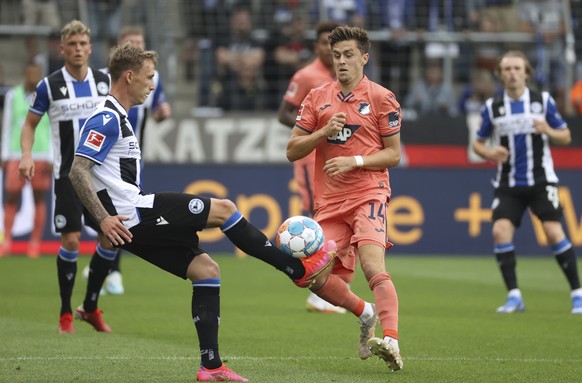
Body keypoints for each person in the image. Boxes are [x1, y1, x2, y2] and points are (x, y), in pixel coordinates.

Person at [69, 43, 337, 382]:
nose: (153, 85)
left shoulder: (118, 117)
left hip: (129, 224)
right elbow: (77, 170)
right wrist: (103, 218)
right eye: (150, 77)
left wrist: (106, 221)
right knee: (224, 210)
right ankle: (296, 269)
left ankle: (210, 366)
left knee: (206, 269)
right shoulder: (106, 117)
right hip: (131, 214)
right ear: (129, 76)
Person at [286, 25, 404, 371]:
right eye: (336, 55)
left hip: (369, 192)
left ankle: (392, 341)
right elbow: (292, 150)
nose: (341, 61)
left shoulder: (382, 98)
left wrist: (355, 161)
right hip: (330, 202)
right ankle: (364, 313)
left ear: (364, 58)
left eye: (349, 54)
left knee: (372, 265)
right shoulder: (317, 97)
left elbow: (393, 155)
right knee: (306, 274)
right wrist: (324, 132)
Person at [19, 20, 114, 334]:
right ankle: (64, 313)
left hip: (101, 177)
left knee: (110, 238)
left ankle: (89, 306)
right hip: (67, 176)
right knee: (71, 239)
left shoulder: (104, 82)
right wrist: (28, 155)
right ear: (62, 49)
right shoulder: (49, 85)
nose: (77, 49)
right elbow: (30, 125)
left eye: (82, 44)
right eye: (71, 44)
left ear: (89, 47)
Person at [472, 50, 582, 315]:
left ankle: (577, 294)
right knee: (500, 231)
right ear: (499, 75)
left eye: (517, 68)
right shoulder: (492, 107)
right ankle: (514, 296)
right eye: (507, 69)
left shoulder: (542, 101)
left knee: (554, 232)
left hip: (541, 180)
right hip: (508, 182)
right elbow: (477, 142)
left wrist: (548, 130)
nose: (512, 73)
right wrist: (489, 153)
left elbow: (566, 135)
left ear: (526, 73)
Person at [90, 25, 172, 296]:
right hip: (107, 156)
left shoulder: (152, 78)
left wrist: (162, 112)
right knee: (114, 215)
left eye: (141, 42)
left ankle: (104, 270)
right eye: (131, 43)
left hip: (134, 155)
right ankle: (112, 272)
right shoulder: (104, 80)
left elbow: (157, 106)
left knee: (120, 215)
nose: (137, 46)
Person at [278, 20, 347, 314]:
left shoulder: (349, 79)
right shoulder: (307, 76)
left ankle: (327, 289)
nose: (330, 51)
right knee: (318, 220)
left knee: (336, 220)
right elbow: (284, 112)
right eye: (324, 44)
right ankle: (319, 291)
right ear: (318, 46)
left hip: (341, 159)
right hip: (312, 159)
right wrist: (314, 131)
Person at [1, 63, 52, 258]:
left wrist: (51, 156)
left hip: (40, 152)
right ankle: (7, 241)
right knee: (12, 196)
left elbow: (51, 127)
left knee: (39, 198)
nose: (32, 76)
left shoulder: (46, 95)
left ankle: (35, 243)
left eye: (36, 73)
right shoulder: (13, 95)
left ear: (40, 75)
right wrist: (5, 154)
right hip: (17, 153)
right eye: (29, 73)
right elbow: (8, 124)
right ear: (24, 74)